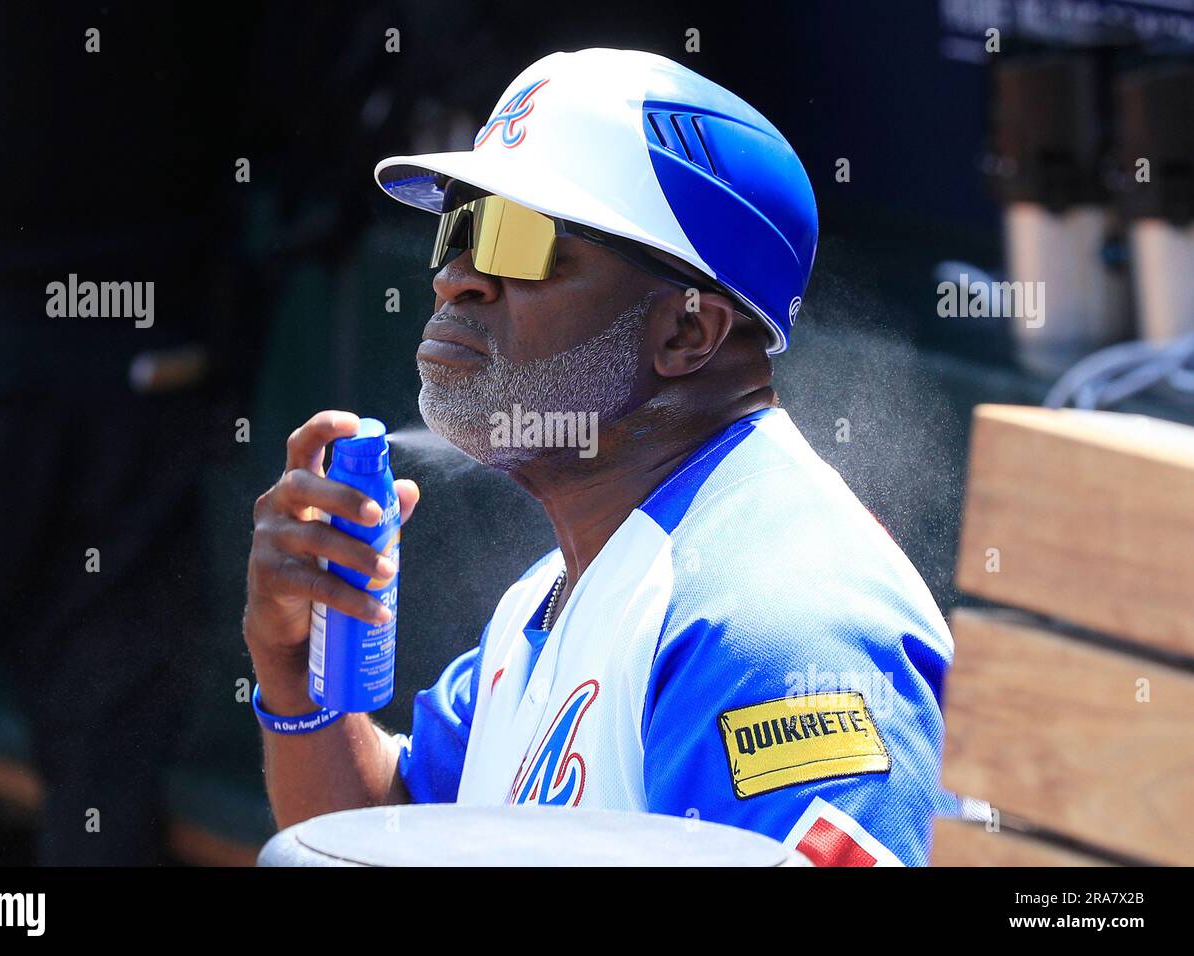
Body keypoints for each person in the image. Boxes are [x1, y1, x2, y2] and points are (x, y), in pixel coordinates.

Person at [243, 49, 956, 866]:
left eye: (521, 239)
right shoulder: (570, 583)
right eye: (460, 229)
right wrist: (301, 682)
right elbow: (389, 833)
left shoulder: (773, 626)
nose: (457, 279)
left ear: (687, 332)